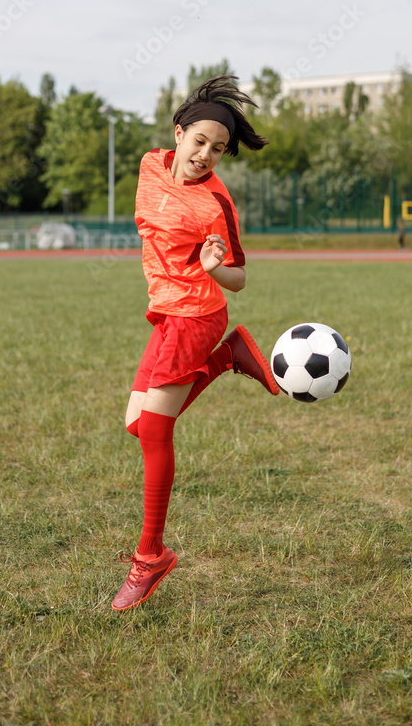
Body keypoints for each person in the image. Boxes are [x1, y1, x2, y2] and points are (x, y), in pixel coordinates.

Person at [112, 75, 280, 612]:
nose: (206, 154)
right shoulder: (148, 165)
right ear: (178, 134)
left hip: (196, 316)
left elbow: (239, 278)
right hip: (165, 314)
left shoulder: (217, 205)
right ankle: (232, 356)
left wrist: (214, 268)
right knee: (136, 422)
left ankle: (150, 556)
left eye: (219, 149)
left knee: (155, 431)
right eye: (199, 141)